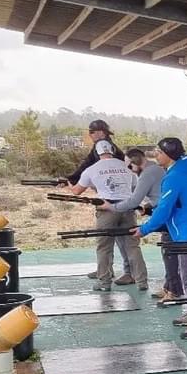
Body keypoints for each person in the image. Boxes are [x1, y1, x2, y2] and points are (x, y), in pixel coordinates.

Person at [134, 138, 187, 340]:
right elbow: (177, 204)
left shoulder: (174, 177)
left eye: (159, 152)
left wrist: (144, 229)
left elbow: (164, 210)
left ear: (169, 155)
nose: (156, 155)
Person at [69, 140, 148, 292]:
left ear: (96, 153)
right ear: (112, 151)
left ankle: (104, 282)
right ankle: (142, 281)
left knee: (104, 247)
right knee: (133, 246)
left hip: (106, 210)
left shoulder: (92, 169)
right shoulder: (126, 166)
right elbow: (134, 187)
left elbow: (77, 191)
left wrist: (68, 183)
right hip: (128, 208)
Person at [66, 119, 133, 284]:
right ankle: (108, 269)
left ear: (100, 132)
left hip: (111, 201)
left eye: (91, 132)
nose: (90, 135)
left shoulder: (102, 145)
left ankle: (119, 272)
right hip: (123, 199)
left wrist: (71, 179)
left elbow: (86, 165)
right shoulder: (110, 146)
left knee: (115, 241)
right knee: (122, 240)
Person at [103, 147, 170, 299]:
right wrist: (148, 207)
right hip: (163, 210)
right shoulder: (155, 169)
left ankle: (172, 290)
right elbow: (159, 195)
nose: (130, 169)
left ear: (137, 161)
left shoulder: (148, 173)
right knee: (168, 252)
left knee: (169, 252)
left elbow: (134, 200)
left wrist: (111, 207)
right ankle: (170, 287)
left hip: (166, 214)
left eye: (130, 166)